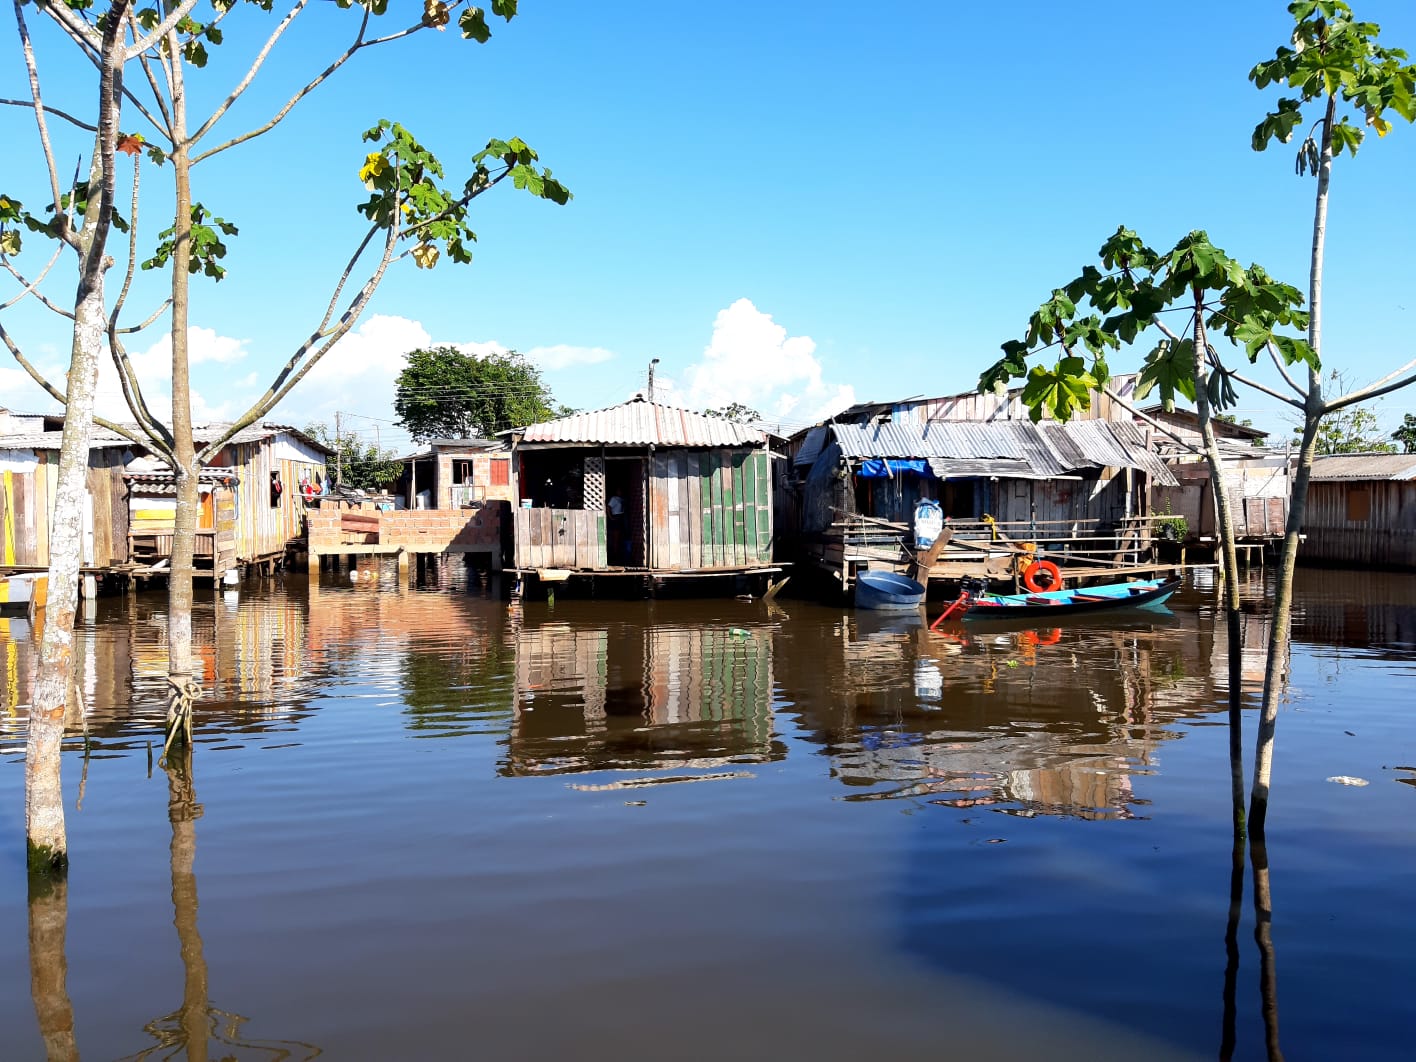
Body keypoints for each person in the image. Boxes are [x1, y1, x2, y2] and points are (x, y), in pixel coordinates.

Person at [607, 492, 625, 563]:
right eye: (618, 489)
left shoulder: (622, 499)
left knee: (621, 538)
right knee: (615, 538)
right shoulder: (614, 498)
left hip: (622, 518)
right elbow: (608, 507)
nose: (619, 491)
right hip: (616, 518)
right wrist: (611, 517)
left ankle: (619, 555)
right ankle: (615, 556)